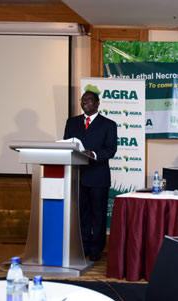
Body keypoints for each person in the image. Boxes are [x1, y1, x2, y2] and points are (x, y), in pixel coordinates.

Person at [63, 91, 117, 261]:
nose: (85, 103)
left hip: (98, 176)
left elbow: (111, 149)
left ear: (97, 103)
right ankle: (82, 247)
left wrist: (93, 154)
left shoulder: (108, 124)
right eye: (83, 100)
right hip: (77, 176)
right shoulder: (72, 122)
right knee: (81, 215)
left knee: (98, 215)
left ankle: (96, 249)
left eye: (89, 100)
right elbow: (66, 144)